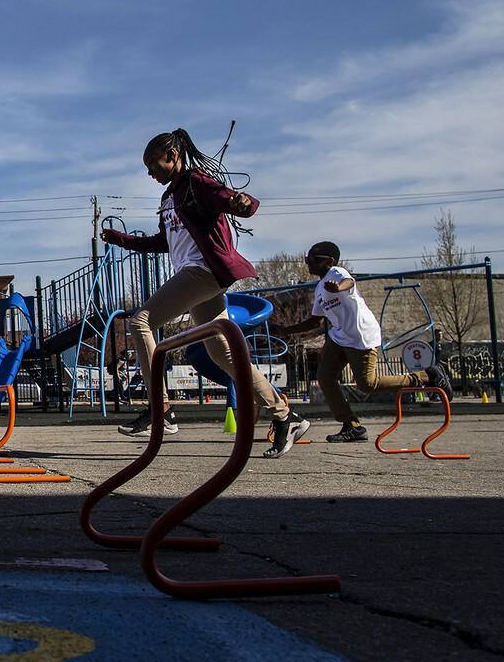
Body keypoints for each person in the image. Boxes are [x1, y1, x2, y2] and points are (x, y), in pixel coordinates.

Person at [103, 128, 308, 458]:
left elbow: (238, 201)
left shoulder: (197, 182)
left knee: (141, 322)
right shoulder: (169, 197)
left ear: (172, 156)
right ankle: (284, 415)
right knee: (221, 355)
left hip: (204, 271)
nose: (150, 172)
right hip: (193, 275)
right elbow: (163, 242)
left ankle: (162, 410)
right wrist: (120, 239)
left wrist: (243, 203)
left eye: (153, 164)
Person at [272, 242, 454, 442]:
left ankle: (427, 376)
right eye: (307, 260)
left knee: (368, 384)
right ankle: (352, 425)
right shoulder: (319, 290)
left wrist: (338, 287)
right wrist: (284, 330)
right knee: (325, 378)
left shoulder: (336, 273)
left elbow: (350, 281)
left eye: (314, 259)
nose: (309, 264)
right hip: (339, 337)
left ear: (330, 261)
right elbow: (314, 321)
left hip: (361, 336)